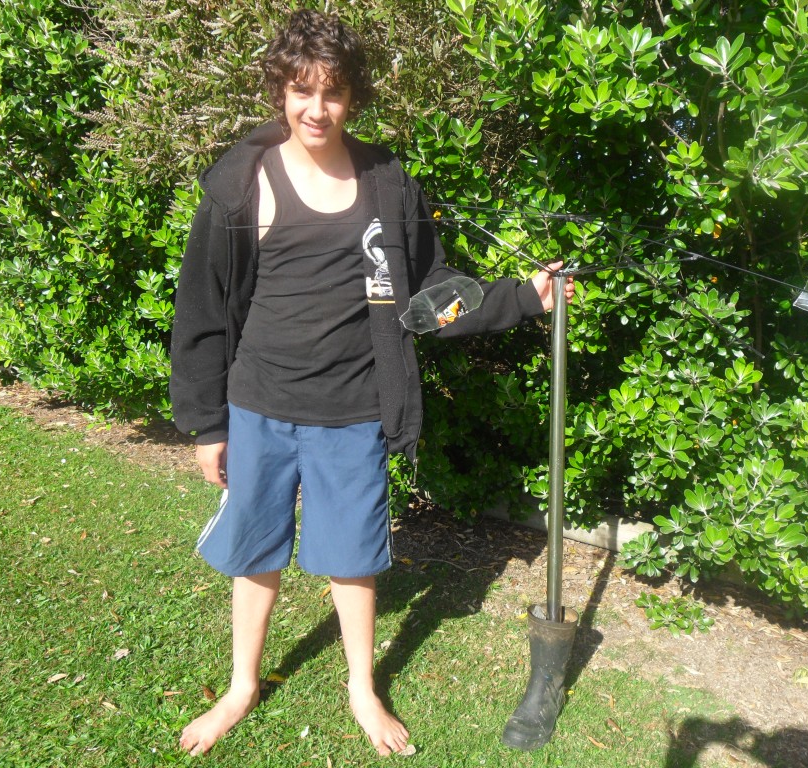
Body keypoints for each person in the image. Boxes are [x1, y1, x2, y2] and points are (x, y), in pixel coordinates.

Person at [168, 9, 575, 758]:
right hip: (258, 405)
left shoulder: (386, 184)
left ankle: (362, 687)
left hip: (354, 408)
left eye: (332, 92)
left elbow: (427, 297)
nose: (315, 109)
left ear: (352, 97)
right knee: (255, 552)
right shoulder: (241, 187)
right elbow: (201, 310)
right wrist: (208, 423)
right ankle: (240, 686)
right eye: (301, 91)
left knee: (351, 556)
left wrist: (524, 297)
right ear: (280, 92)